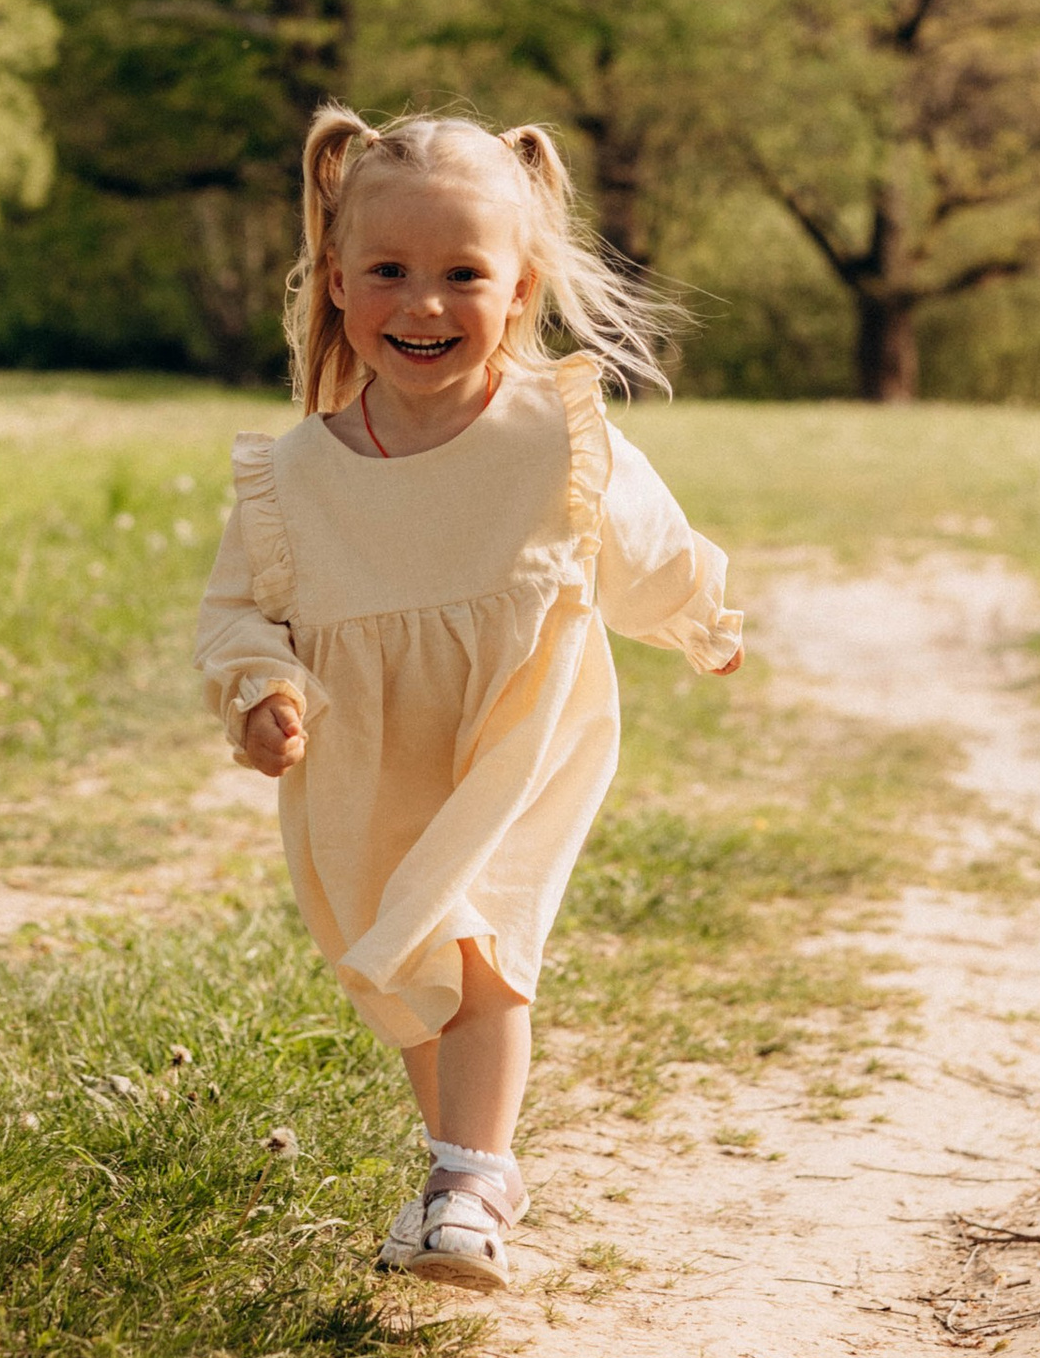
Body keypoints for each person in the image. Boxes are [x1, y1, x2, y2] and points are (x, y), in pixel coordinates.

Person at [195, 107, 743, 1296]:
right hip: (365, 759)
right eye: (388, 272)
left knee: (477, 937)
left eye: (461, 275)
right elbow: (239, 610)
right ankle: (461, 1169)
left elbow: (639, 545)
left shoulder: (555, 434)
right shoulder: (294, 476)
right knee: (412, 972)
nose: (423, 304)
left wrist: (699, 619)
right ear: (336, 283)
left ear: (520, 285)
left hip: (511, 735)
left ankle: (470, 1183)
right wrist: (261, 693)